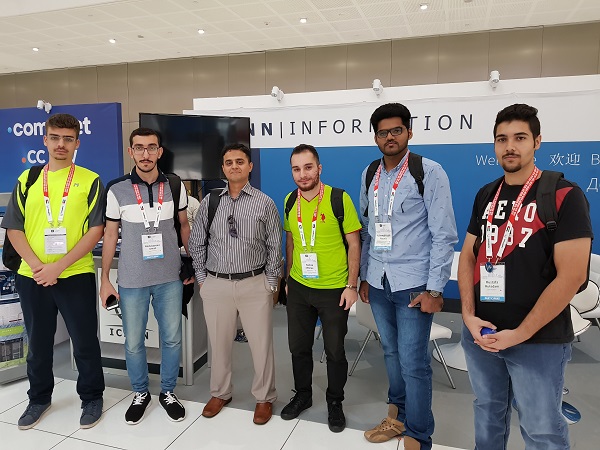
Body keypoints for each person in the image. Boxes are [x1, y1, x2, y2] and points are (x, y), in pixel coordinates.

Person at [458, 103, 593, 450]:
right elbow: (469, 257)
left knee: (540, 429)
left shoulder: (563, 195)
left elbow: (572, 276)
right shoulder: (486, 194)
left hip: (537, 341)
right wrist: (468, 317)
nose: (510, 146)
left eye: (520, 138)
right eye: (502, 139)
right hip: (483, 334)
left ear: (537, 142)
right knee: (487, 414)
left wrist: (519, 334)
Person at [359, 103, 458, 449]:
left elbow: (444, 235)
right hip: (379, 280)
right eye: (383, 132)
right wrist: (365, 276)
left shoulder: (429, 172)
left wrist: (435, 289)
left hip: (414, 284)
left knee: (414, 362)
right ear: (376, 137)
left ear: (409, 132)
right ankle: (397, 416)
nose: (390, 137)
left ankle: (418, 433)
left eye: (396, 130)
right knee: (390, 352)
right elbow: (369, 229)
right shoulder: (369, 173)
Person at [2, 113, 105, 429]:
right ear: (45, 140)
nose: (62, 144)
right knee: (38, 343)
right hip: (32, 276)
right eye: (56, 138)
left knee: (84, 342)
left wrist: (58, 267)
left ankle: (91, 397)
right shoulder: (28, 179)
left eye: (68, 139)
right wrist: (38, 267)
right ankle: (38, 399)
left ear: (77, 143)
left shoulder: (90, 180)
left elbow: (96, 230)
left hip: (75, 275)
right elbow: (14, 228)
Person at [100, 127, 193, 424]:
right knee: (133, 342)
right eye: (139, 148)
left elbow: (184, 225)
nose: (145, 154)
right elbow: (110, 234)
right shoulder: (116, 189)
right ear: (131, 152)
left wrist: (192, 261)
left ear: (159, 152)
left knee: (172, 339)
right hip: (132, 279)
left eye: (151, 147)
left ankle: (168, 392)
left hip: (169, 278)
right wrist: (105, 279)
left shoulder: (175, 185)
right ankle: (140, 393)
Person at [189, 143, 282, 425]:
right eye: (229, 162)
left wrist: (270, 283)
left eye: (240, 161)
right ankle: (220, 393)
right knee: (219, 344)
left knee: (261, 346)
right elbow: (197, 243)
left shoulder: (264, 203)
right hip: (216, 284)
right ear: (223, 168)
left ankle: (264, 397)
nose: (234, 166)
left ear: (250, 166)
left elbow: (274, 245)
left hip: (254, 283)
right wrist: (203, 280)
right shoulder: (210, 202)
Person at [280, 144, 362, 432]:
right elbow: (291, 241)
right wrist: (288, 279)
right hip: (299, 287)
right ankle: (303, 395)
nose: (302, 174)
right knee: (298, 347)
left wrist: (352, 285)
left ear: (319, 168)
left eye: (308, 167)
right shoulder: (290, 200)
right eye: (296, 169)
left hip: (334, 289)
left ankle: (335, 401)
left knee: (334, 351)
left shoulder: (339, 199)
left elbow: (354, 244)